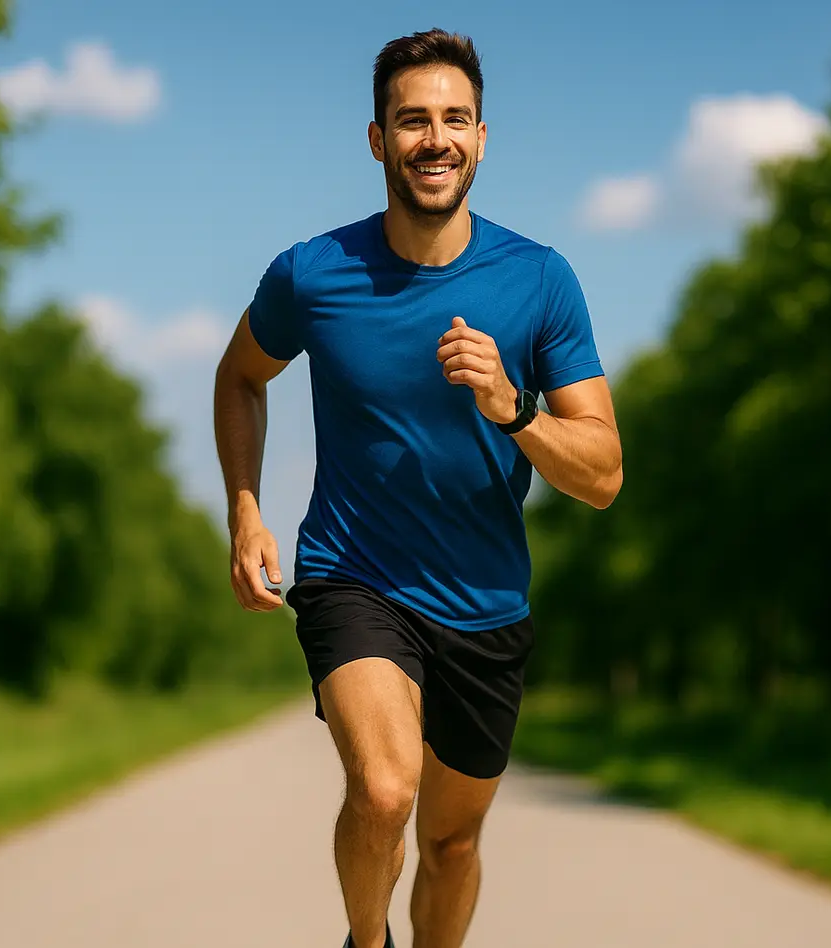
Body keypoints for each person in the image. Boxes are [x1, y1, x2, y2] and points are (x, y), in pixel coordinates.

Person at [212, 27, 622, 948]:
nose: (433, 138)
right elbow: (239, 375)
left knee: (450, 842)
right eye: (411, 121)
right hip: (352, 575)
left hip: (484, 601)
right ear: (377, 140)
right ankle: (367, 942)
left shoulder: (540, 281)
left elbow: (601, 477)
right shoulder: (313, 275)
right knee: (386, 789)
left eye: (453, 120)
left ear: (481, 138)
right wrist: (244, 509)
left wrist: (512, 407)